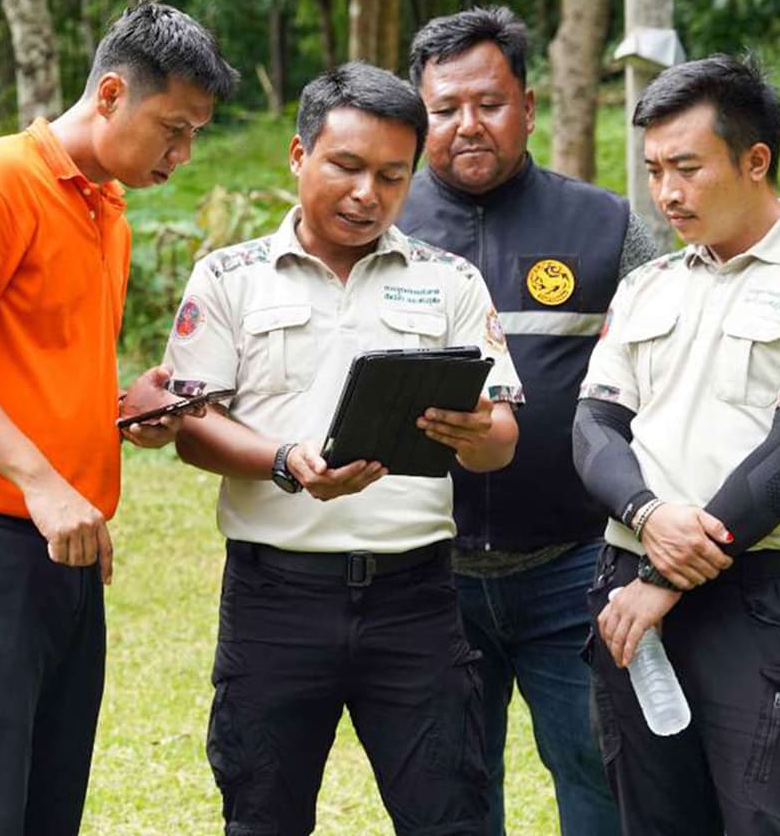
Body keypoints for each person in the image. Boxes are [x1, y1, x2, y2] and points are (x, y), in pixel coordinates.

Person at [0, 0, 237, 836]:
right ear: (111, 93)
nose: (182, 156)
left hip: (66, 548)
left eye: (196, 136)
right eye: (172, 128)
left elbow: (31, 365)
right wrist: (44, 482)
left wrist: (123, 413)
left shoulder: (104, 211)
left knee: (47, 807)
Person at [163, 61, 523, 836]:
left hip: (417, 600)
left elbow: (499, 441)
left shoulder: (451, 281)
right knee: (263, 814)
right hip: (275, 599)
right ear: (299, 157)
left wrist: (475, 435)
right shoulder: (229, 278)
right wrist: (284, 462)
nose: (368, 194)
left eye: (393, 176)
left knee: (448, 814)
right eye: (347, 167)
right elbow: (192, 426)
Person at [572, 54, 780, 836]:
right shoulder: (649, 284)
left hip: (758, 602)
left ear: (755, 161)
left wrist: (667, 576)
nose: (666, 193)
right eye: (653, 170)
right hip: (628, 597)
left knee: (775, 821)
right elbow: (594, 427)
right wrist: (646, 518)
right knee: (654, 819)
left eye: (687, 167)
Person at [397, 5, 654, 835]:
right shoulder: (381, 226)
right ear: (419, 113)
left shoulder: (607, 225)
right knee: (456, 789)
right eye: (445, 110)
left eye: (490, 103)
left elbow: (667, 372)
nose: (468, 125)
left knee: (597, 772)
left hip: (572, 569)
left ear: (531, 105)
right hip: (426, 573)